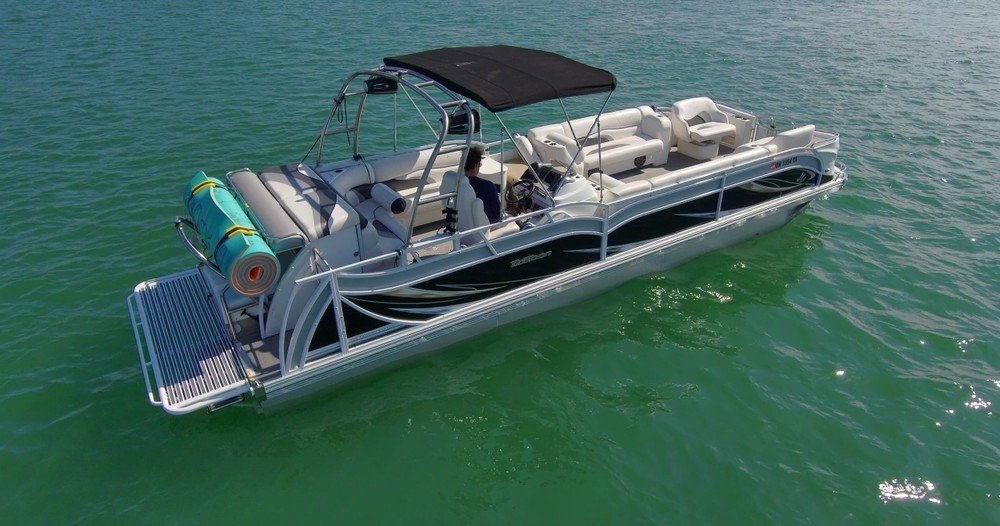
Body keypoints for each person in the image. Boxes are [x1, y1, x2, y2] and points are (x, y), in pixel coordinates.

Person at [463, 146, 502, 223]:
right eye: (479, 164)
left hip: (465, 223)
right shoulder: (487, 185)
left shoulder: (459, 185)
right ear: (475, 166)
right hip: (487, 225)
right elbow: (497, 212)